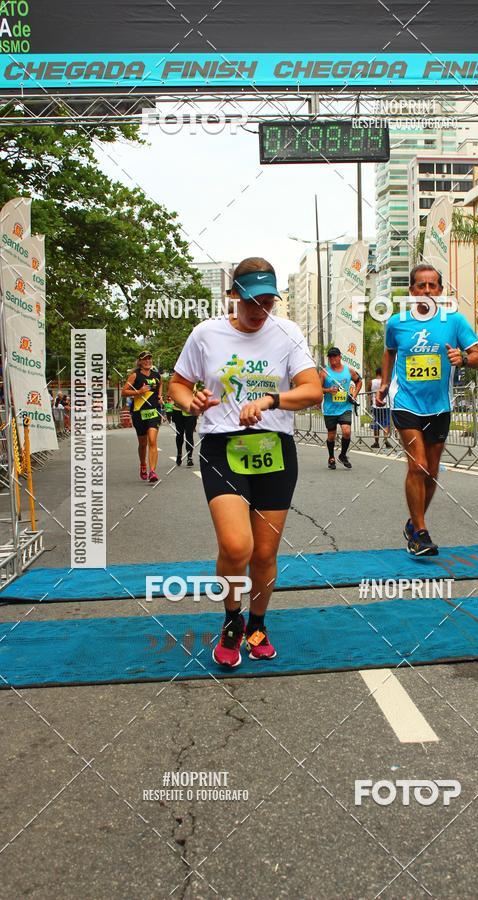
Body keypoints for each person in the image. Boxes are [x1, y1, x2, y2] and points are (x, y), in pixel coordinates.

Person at [169, 257, 322, 668]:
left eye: (268, 301)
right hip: (222, 447)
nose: (259, 311)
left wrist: (273, 400)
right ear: (233, 295)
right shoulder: (206, 334)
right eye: (251, 301)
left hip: (275, 448)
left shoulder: (287, 332)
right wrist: (192, 401)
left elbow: (312, 391)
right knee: (237, 546)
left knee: (265, 553)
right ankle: (232, 618)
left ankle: (257, 624)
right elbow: (178, 384)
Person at [376, 264, 478, 556]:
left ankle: (414, 523)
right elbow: (389, 351)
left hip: (439, 405)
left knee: (432, 471)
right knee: (419, 465)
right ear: (411, 292)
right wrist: (385, 383)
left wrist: (462, 357)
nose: (426, 290)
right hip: (406, 401)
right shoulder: (397, 322)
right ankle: (421, 535)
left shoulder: (454, 321)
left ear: (440, 290)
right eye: (420, 286)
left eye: (432, 285)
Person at [122, 350, 163, 482]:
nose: (147, 361)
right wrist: (139, 391)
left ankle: (152, 471)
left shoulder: (157, 375)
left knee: (152, 440)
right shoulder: (135, 375)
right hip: (139, 412)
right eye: (145, 359)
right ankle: (143, 464)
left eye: (149, 358)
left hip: (153, 412)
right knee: (143, 443)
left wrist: (160, 396)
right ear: (140, 361)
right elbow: (124, 392)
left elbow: (160, 385)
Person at [320, 347, 362, 470]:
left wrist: (354, 396)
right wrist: (328, 390)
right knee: (331, 435)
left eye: (335, 356)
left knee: (347, 431)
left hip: (345, 407)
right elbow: (317, 388)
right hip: (330, 409)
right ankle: (331, 457)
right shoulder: (324, 372)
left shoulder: (349, 371)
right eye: (330, 356)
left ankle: (343, 455)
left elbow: (359, 382)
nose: (332, 359)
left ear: (340, 357)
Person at [369, 367, 392, 449]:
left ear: (376, 373)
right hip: (386, 405)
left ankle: (376, 442)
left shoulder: (371, 382)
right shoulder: (387, 382)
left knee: (376, 423)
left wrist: (371, 402)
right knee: (386, 423)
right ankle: (385, 439)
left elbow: (369, 393)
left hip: (376, 405)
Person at [171, 400, 198, 466]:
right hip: (178, 410)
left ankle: (189, 458)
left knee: (189, 435)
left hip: (190, 410)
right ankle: (179, 454)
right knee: (179, 434)